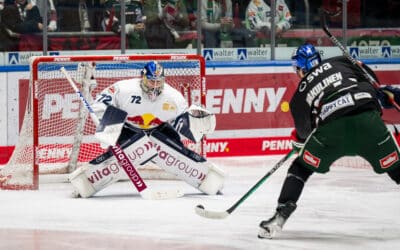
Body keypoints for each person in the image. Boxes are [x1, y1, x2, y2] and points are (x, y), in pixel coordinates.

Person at [258, 43, 400, 239]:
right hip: (370, 124)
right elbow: (374, 86)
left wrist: (299, 141)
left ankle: (280, 216)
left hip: (331, 133)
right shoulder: (345, 61)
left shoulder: (299, 95)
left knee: (300, 167)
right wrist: (387, 93)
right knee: (395, 167)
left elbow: (303, 136)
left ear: (300, 69)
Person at [69, 61, 225, 198]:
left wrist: (195, 122)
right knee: (117, 156)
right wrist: (108, 128)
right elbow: (99, 106)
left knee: (179, 152)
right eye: (151, 81)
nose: (155, 86)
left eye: (159, 82)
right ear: (143, 78)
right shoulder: (124, 89)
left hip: (159, 129)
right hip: (129, 129)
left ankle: (210, 180)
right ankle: (83, 183)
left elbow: (182, 124)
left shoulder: (174, 98)